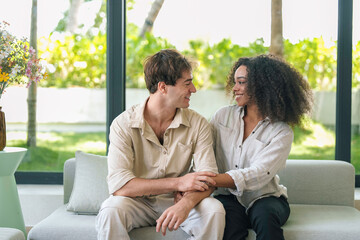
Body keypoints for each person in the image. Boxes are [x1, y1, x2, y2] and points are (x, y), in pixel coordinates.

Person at [96, 49, 225, 240]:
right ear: (163, 87)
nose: (194, 89)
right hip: (137, 203)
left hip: (179, 200)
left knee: (214, 210)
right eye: (187, 84)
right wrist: (178, 182)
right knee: (110, 210)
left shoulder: (198, 124)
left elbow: (208, 179)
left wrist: (184, 204)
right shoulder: (123, 124)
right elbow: (120, 186)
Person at [209, 54, 313, 240]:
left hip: (266, 198)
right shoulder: (222, 117)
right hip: (228, 198)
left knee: (265, 218)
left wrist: (211, 180)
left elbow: (259, 173)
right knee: (229, 223)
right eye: (235, 82)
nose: (235, 88)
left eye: (241, 82)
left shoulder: (281, 132)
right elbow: (204, 151)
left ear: (261, 85)